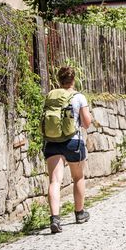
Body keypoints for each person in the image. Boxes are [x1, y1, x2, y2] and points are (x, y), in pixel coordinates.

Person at [43, 66, 92, 233]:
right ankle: (79, 213)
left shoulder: (51, 96)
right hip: (73, 142)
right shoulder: (79, 97)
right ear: (73, 80)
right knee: (78, 177)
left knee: (54, 181)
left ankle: (55, 219)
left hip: (52, 142)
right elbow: (86, 123)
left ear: (59, 80)